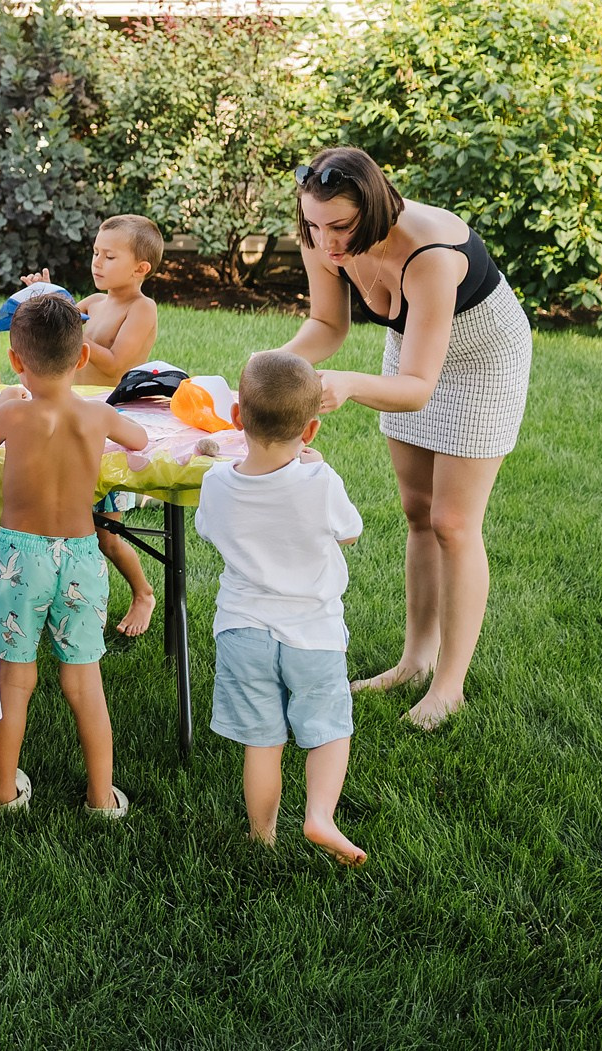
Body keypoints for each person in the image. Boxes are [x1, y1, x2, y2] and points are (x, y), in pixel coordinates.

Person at [283, 146, 532, 731]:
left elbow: (418, 387)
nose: (329, 243)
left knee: (453, 521)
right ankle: (415, 661)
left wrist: (347, 385)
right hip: (417, 344)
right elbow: (327, 326)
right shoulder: (322, 233)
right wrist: (270, 366)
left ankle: (450, 686)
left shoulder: (430, 256)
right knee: (417, 512)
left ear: (373, 208)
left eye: (341, 228)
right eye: (315, 228)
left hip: (484, 359)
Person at [0, 292, 153, 818]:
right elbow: (141, 437)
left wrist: (12, 398)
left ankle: (5, 792)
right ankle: (101, 797)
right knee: (84, 679)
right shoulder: (97, 416)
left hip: (18, 557)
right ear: (81, 358)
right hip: (80, 556)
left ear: (16, 360)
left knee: (15, 678)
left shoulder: (11, 415)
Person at [196, 350, 367, 866]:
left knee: (262, 743)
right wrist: (314, 472)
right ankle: (319, 816)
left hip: (242, 631)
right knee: (329, 729)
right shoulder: (321, 481)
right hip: (312, 633)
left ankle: (262, 835)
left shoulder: (215, 482)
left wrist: (216, 458)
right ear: (311, 430)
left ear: (235, 418)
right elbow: (351, 532)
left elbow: (212, 522)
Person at [21, 213, 167, 637]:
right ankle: (47, 592)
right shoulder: (94, 302)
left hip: (107, 423)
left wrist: (74, 337)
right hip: (68, 415)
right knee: (59, 512)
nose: (97, 263)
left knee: (106, 532)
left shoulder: (142, 308)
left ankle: (144, 593)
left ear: (141, 268)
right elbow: (57, 324)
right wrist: (44, 299)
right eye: (95, 254)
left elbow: (119, 361)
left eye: (109, 256)